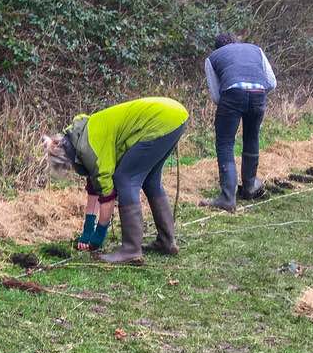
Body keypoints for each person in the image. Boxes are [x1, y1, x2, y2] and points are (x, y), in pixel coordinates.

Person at [43, 97, 189, 264]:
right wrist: (88, 228)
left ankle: (131, 250)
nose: (73, 171)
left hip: (161, 120)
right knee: (150, 180)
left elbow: (107, 196)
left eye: (69, 168)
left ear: (67, 160)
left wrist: (98, 235)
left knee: (125, 179)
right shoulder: (80, 136)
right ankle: (167, 242)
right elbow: (94, 185)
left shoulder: (89, 151)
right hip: (174, 115)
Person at [199, 33, 277, 211]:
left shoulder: (213, 58)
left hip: (232, 94)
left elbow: (216, 95)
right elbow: (271, 82)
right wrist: (256, 94)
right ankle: (249, 187)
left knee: (225, 143)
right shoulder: (255, 50)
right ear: (236, 42)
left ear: (217, 47)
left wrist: (231, 103)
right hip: (259, 93)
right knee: (251, 138)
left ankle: (227, 197)